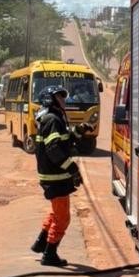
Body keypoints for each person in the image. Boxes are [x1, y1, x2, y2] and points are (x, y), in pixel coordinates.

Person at [30, 84, 85, 266]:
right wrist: (72, 169)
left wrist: (79, 131)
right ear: (50, 100)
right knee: (63, 218)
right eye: (59, 97)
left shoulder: (53, 118)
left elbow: (63, 141)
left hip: (53, 176)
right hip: (56, 177)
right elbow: (54, 150)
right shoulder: (53, 119)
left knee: (56, 212)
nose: (63, 100)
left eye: (63, 97)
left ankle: (41, 243)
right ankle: (50, 254)